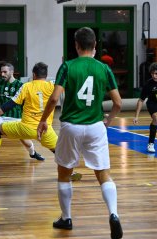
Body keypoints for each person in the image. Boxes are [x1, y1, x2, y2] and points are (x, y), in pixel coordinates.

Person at [37, 27, 123, 239]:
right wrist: (108, 121)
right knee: (103, 174)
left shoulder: (67, 66)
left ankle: (66, 218)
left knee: (64, 173)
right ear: (95, 46)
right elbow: (118, 103)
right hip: (96, 126)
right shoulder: (104, 68)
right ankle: (113, 214)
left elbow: (55, 98)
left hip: (71, 126)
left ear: (76, 45)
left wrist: (43, 120)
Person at [0, 62, 60, 171]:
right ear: (46, 76)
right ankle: (69, 171)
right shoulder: (53, 85)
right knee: (59, 150)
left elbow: (10, 104)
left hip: (25, 128)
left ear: (33, 75)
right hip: (45, 130)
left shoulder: (26, 86)